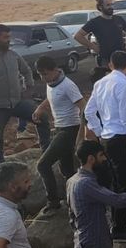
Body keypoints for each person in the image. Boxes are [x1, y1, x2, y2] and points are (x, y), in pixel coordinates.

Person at [84, 51, 126, 242]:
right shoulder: (124, 83)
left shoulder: (100, 83)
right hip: (121, 136)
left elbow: (88, 111)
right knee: (124, 183)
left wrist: (100, 132)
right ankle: (119, 227)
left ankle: (116, 224)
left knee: (115, 181)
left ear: (110, 64)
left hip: (107, 138)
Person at [31, 56, 85, 216]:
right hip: (60, 127)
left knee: (43, 165)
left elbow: (83, 107)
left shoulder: (68, 85)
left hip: (70, 130)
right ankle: (76, 201)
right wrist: (40, 108)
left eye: (45, 74)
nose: (43, 78)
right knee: (68, 170)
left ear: (55, 69)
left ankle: (52, 201)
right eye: (40, 74)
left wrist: (81, 133)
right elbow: (51, 97)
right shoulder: (52, 83)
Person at [0, 24, 51, 163]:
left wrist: (29, 89)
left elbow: (27, 71)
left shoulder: (13, 55)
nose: (8, 40)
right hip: (0, 106)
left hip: (17, 102)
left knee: (42, 118)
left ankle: (46, 154)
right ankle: (2, 169)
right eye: (5, 38)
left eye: (9, 37)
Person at [74, 0, 126, 67]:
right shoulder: (95, 22)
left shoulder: (119, 19)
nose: (111, 7)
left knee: (124, 78)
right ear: (100, 7)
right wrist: (93, 47)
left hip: (122, 58)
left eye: (111, 4)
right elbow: (78, 36)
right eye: (108, 5)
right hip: (105, 60)